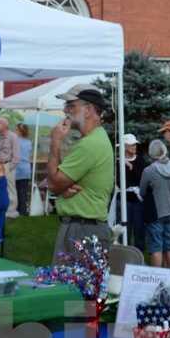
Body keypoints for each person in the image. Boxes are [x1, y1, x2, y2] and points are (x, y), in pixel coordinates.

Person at [48, 85, 115, 255]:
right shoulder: (93, 139)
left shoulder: (89, 144)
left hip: (82, 230)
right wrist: (61, 187)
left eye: (71, 105)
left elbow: (53, 183)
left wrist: (55, 141)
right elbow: (55, 180)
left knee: (69, 274)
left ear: (88, 110)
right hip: (83, 228)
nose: (65, 110)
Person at [140, 139, 170, 268]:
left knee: (156, 247)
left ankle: (156, 278)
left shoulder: (149, 171)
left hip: (155, 214)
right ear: (165, 151)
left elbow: (142, 192)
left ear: (151, 153)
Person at [117, 133, 146, 252]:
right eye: (131, 145)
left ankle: (139, 254)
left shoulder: (140, 160)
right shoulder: (118, 162)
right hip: (123, 200)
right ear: (124, 146)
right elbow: (118, 182)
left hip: (137, 200)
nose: (134, 147)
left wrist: (131, 167)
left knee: (139, 228)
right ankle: (124, 253)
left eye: (135, 144)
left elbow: (142, 179)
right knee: (125, 228)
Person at [0, 117, 20, 218]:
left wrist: (9, 167)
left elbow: (16, 155)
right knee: (1, 187)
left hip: (7, 165)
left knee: (10, 187)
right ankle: (4, 207)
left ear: (4, 125)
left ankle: (12, 210)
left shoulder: (13, 136)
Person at [15, 123, 33, 216]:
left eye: (16, 130)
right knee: (23, 191)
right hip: (26, 169)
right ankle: (23, 210)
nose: (14, 131)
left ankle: (19, 210)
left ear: (20, 131)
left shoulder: (15, 142)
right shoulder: (28, 142)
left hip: (17, 169)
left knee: (17, 191)